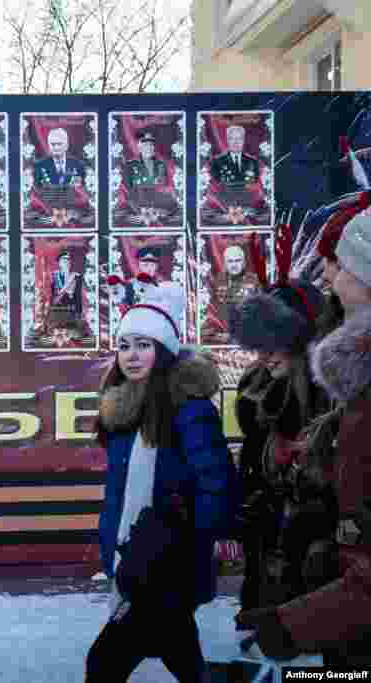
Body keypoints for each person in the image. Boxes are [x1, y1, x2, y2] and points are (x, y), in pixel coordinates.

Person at [237, 212, 371, 667]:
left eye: (341, 265)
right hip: (321, 588)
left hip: (335, 587)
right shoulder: (263, 398)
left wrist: (296, 620)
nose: (331, 279)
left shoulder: (337, 396)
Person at [88, 281, 235, 683]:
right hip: (138, 552)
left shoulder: (188, 409)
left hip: (166, 558)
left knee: (103, 663)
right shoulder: (122, 412)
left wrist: (206, 537)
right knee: (182, 656)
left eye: (143, 345)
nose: (132, 355)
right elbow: (118, 495)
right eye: (125, 345)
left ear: (164, 350)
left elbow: (215, 478)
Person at [228, 273, 334, 618]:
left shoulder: (333, 404)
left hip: (316, 594)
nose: (266, 356)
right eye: (259, 344)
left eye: (277, 343)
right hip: (265, 587)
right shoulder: (256, 401)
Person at [202, 245, 263, 342]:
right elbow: (212, 312)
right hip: (223, 337)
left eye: (237, 261)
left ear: (243, 262)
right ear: (225, 263)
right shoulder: (218, 281)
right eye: (230, 261)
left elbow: (262, 312)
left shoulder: (254, 281)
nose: (234, 265)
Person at [44, 250, 89, 340]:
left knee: (76, 333)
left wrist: (79, 312)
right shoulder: (54, 276)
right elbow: (52, 294)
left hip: (72, 308)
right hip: (59, 308)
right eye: (64, 260)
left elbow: (79, 296)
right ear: (59, 263)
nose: (67, 262)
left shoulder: (77, 276)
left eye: (68, 260)